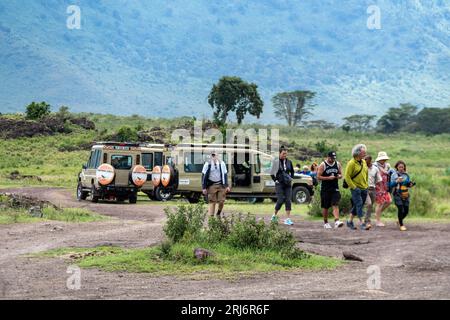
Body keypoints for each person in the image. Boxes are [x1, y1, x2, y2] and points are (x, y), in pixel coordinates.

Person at [317, 151, 344, 229]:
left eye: (334, 158)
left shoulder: (337, 164)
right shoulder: (323, 165)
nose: (333, 160)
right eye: (331, 158)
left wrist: (339, 176)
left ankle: (336, 221)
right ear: (327, 157)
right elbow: (318, 177)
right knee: (326, 207)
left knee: (335, 203)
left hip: (335, 188)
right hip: (325, 189)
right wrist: (328, 178)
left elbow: (341, 174)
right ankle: (326, 222)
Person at [345, 144, 369, 230]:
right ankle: (362, 223)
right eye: (363, 152)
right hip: (355, 188)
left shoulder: (363, 162)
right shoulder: (351, 163)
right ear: (358, 152)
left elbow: (366, 173)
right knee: (359, 204)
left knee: (357, 205)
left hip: (364, 188)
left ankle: (349, 221)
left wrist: (366, 185)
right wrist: (354, 187)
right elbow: (347, 177)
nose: (365, 153)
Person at [270, 146, 295, 225]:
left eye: (286, 154)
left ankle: (287, 219)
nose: (285, 155)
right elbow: (271, 173)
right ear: (279, 153)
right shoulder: (276, 162)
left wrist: (291, 178)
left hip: (287, 184)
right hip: (279, 184)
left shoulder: (289, 162)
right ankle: (274, 216)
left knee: (288, 200)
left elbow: (292, 172)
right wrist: (275, 180)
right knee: (280, 200)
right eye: (283, 153)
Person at [202, 150, 230, 218]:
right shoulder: (207, 164)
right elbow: (203, 175)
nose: (214, 157)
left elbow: (225, 175)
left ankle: (218, 213)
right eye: (212, 155)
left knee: (221, 201)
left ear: (218, 156)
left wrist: (227, 186)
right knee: (212, 201)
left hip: (221, 184)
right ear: (211, 156)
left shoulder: (222, 163)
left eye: (215, 155)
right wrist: (204, 187)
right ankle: (211, 217)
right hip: (212, 185)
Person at [390, 161, 415, 231]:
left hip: (405, 194)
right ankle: (401, 225)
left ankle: (399, 220)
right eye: (399, 167)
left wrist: (410, 184)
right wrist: (397, 181)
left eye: (402, 167)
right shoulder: (394, 175)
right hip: (397, 193)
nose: (401, 168)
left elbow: (407, 184)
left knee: (406, 210)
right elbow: (390, 185)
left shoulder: (406, 175)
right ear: (397, 167)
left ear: (404, 167)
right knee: (400, 208)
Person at [373, 151, 392, 227]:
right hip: (378, 186)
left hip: (385, 186)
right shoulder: (375, 166)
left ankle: (377, 214)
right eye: (382, 159)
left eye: (384, 159)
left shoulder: (387, 165)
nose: (384, 160)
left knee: (389, 201)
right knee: (380, 203)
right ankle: (378, 221)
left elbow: (390, 174)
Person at [364, 155, 382, 229]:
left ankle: (365, 219)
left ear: (370, 160)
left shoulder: (375, 169)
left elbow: (379, 179)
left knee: (370, 206)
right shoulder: (362, 168)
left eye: (366, 159)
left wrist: (380, 189)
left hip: (373, 189)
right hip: (364, 189)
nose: (364, 161)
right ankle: (367, 221)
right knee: (369, 204)